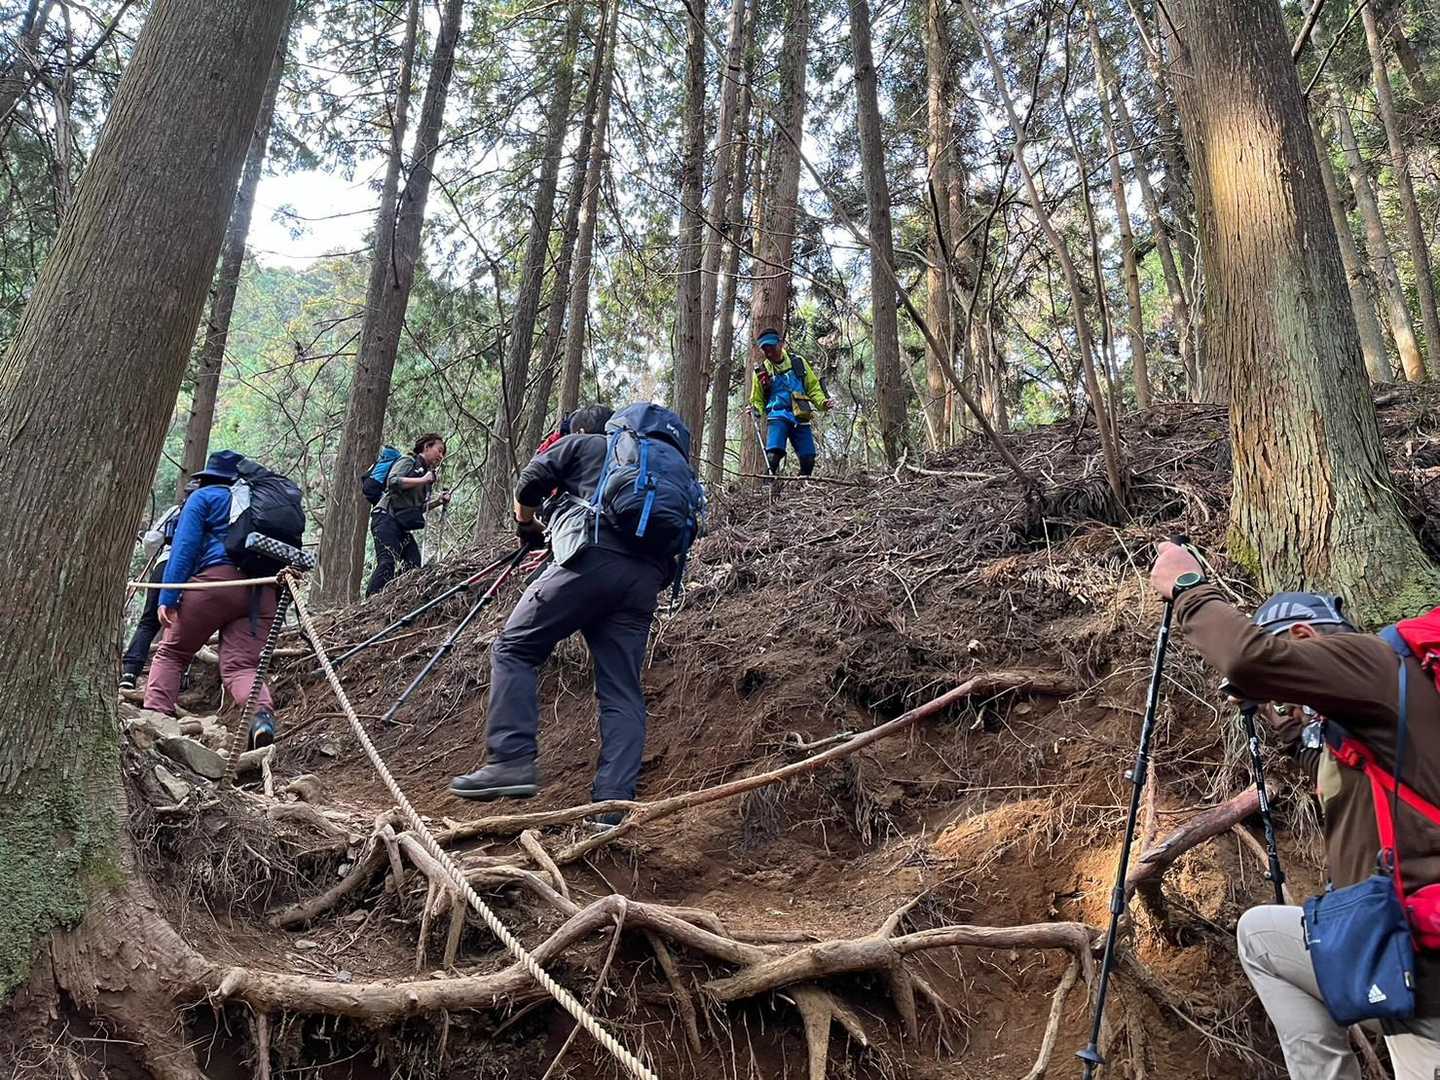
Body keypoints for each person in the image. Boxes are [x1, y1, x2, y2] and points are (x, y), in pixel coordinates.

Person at [1148, 541, 1440, 1079]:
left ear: (1304, 637)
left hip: (1425, 970)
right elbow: (1330, 766)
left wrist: (1188, 589)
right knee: (1261, 936)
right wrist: (1280, 718)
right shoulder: (1388, 712)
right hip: (1395, 949)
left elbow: (1249, 658)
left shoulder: (1373, 661)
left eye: (1291, 677)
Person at [448, 403, 692, 826]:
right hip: (643, 582)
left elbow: (529, 482)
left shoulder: (584, 445)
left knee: (514, 648)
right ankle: (611, 806)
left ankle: (511, 761)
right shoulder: (661, 469)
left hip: (590, 561)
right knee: (622, 690)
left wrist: (526, 525)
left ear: (581, 429)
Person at [143, 451, 280, 748]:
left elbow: (184, 548)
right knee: (242, 667)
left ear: (208, 478)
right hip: (262, 591)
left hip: (214, 583)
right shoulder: (260, 501)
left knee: (173, 653)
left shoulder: (204, 498)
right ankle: (261, 718)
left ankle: (154, 721)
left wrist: (168, 595)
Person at [120, 480, 200, 690]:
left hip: (165, 564)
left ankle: (130, 672)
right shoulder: (216, 509)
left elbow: (151, 540)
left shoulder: (176, 510)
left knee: (149, 620)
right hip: (197, 569)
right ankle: (178, 676)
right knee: (188, 621)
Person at [366, 432, 452, 597]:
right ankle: (369, 602)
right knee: (387, 562)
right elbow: (392, 482)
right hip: (385, 518)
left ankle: (392, 596)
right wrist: (423, 480)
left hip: (400, 525)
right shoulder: (408, 461)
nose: (441, 456)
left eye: (443, 454)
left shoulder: (426, 474)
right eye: (439, 450)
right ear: (426, 447)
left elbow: (416, 508)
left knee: (413, 563)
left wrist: (438, 501)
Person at [749, 327, 829, 476]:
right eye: (765, 350)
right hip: (777, 415)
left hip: (801, 414)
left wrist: (823, 403)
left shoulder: (798, 362)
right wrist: (755, 410)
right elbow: (757, 399)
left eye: (771, 347)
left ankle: (802, 486)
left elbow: (813, 388)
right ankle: (767, 485)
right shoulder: (762, 372)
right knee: (773, 455)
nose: (769, 353)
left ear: (781, 344)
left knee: (808, 458)